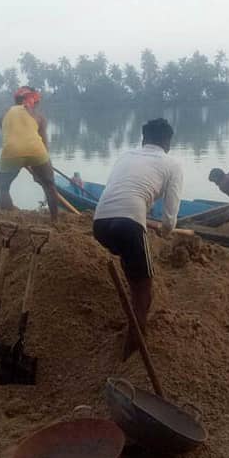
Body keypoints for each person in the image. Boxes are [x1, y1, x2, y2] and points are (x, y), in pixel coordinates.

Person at [93, 118, 183, 358]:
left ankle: (132, 324)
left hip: (100, 223)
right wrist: (164, 230)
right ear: (168, 143)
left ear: (144, 139)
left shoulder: (125, 156)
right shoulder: (172, 165)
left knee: (132, 266)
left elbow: (118, 188)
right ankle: (134, 347)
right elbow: (169, 220)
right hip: (129, 224)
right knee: (144, 289)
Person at [0, 86, 59, 224]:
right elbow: (44, 143)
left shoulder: (4, 114)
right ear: (34, 101)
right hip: (37, 152)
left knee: (2, 187)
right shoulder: (39, 116)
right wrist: (44, 167)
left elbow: (8, 137)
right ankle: (55, 220)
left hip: (12, 152)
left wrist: (23, 159)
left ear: (16, 100)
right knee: (50, 186)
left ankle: (9, 220)